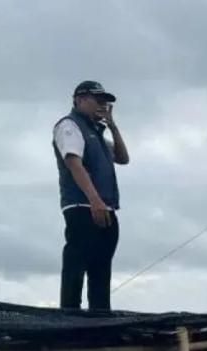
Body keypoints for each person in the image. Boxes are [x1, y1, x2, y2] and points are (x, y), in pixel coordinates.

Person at [53, 81, 129, 310]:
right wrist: (94, 200)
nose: (102, 106)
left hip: (106, 208)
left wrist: (113, 126)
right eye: (98, 100)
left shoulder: (97, 134)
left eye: (105, 102)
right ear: (80, 100)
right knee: (76, 267)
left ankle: (100, 316)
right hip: (82, 206)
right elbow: (74, 163)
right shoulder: (70, 126)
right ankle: (69, 317)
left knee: (101, 270)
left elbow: (123, 158)